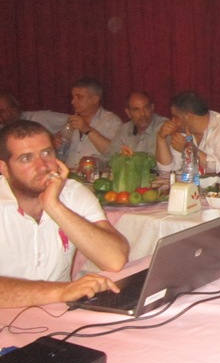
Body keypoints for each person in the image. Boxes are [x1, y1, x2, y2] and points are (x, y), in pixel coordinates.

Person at [0, 120, 129, 309]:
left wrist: (54, 206)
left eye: (47, 153)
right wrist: (61, 291)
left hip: (56, 314)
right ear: (4, 169)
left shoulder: (71, 192)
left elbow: (114, 259)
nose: (42, 166)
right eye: (26, 158)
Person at [156, 91, 220, 173]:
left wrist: (190, 150)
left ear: (189, 116)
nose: (173, 121)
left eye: (176, 117)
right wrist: (161, 138)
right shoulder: (184, 132)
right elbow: (167, 170)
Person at [62, 77, 123, 168]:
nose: (73, 102)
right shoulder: (71, 121)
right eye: (73, 97)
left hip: (96, 175)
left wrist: (88, 130)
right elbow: (62, 153)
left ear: (95, 99)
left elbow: (116, 153)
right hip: (70, 174)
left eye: (79, 97)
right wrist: (56, 144)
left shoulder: (111, 121)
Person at [104, 91, 168, 158]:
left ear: (152, 108)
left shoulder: (164, 128)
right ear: (128, 113)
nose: (142, 114)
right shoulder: (124, 130)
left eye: (146, 108)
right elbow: (111, 157)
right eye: (136, 110)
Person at [0, 89, 68, 134]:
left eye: (11, 107)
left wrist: (62, 136)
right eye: (2, 111)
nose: (9, 113)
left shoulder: (40, 117)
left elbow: (72, 120)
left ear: (18, 104)